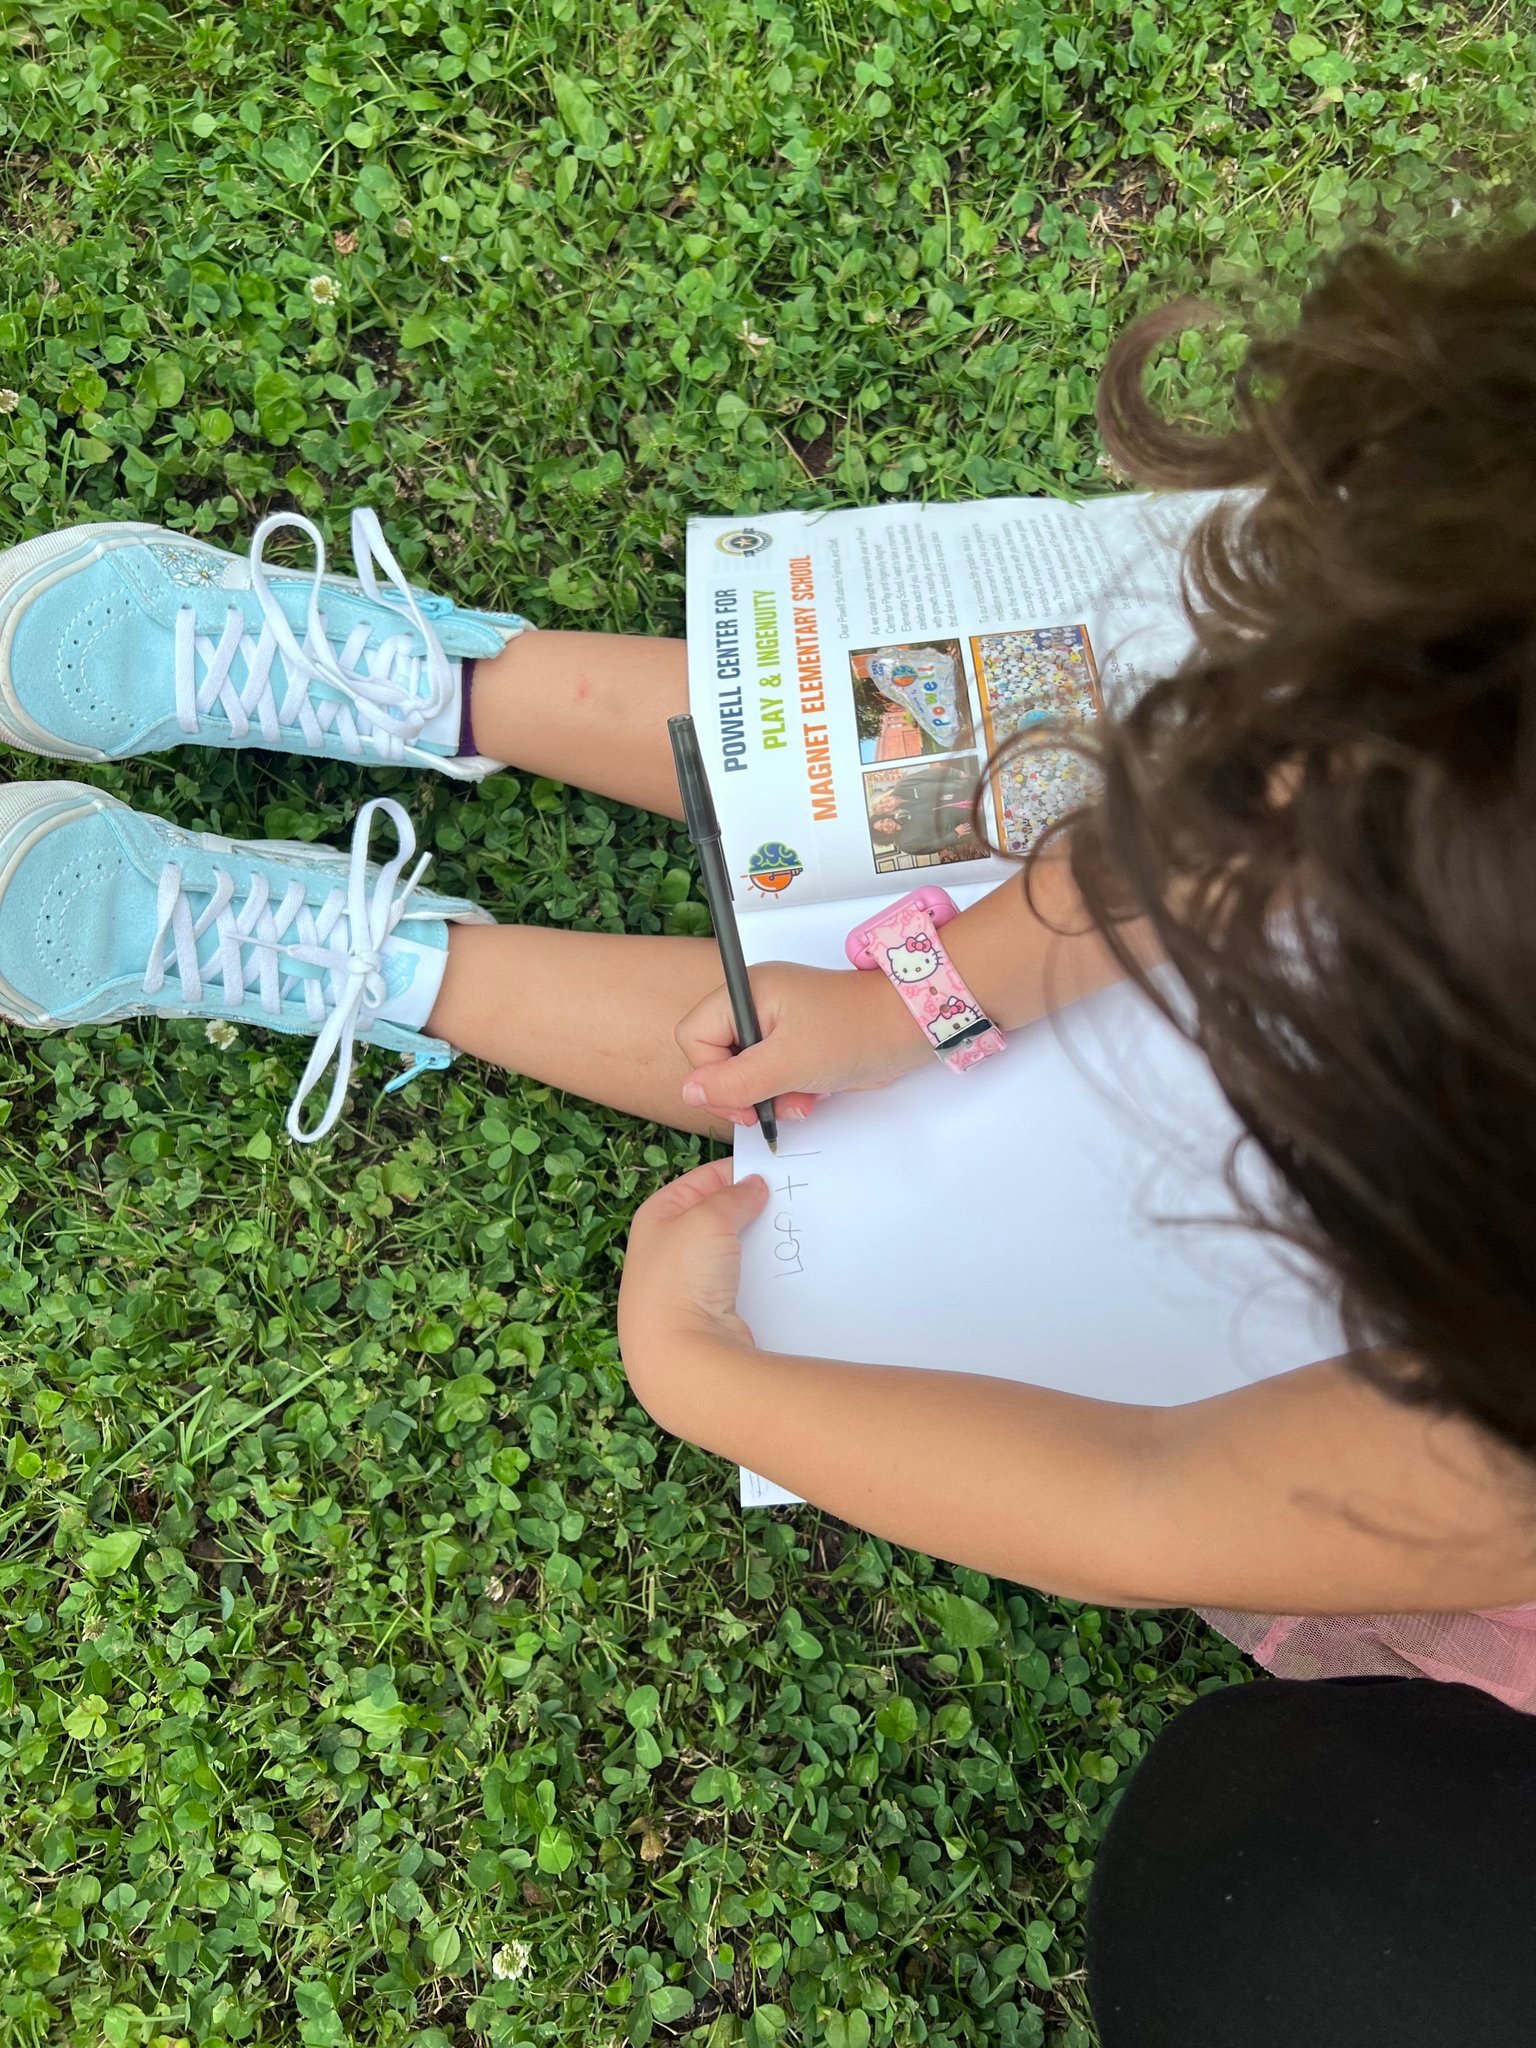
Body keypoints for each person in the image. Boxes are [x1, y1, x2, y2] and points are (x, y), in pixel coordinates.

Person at [4, 224, 1536, 2039]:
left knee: (975, 1208)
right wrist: (922, 996)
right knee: (969, 795)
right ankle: (435, 684)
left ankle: (394, 965)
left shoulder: (1480, 1438)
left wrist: (710, 1380)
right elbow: (1236, 809)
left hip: (1401, 1469)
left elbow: (1143, 1495)